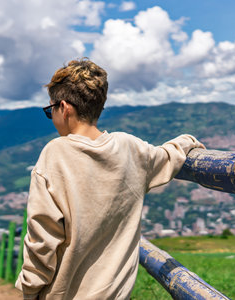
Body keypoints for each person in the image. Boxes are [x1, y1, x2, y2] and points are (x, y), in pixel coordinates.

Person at [15, 58, 204, 299]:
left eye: (50, 109)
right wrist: (188, 140)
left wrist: (30, 289)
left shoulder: (55, 155)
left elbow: (42, 240)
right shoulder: (131, 148)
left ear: (64, 108)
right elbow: (168, 155)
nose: (51, 116)